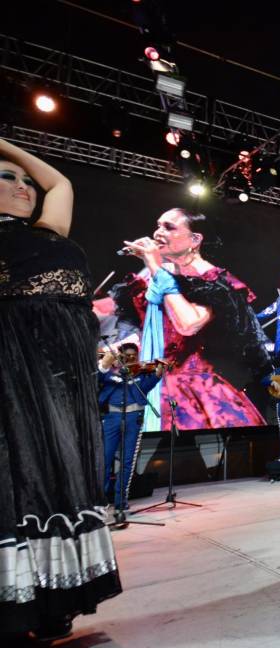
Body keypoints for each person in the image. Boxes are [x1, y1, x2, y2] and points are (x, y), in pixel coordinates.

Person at [0, 139, 121, 641]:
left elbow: (60, 183)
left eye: (26, 179)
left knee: (61, 479)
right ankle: (16, 609)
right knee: (20, 479)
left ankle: (53, 601)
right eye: (8, 178)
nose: (25, 185)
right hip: (15, 376)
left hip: (65, 383)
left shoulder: (49, 231)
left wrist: (4, 146)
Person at [97, 208, 272, 431]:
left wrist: (155, 266)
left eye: (169, 227)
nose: (158, 232)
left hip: (191, 388)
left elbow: (187, 324)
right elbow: (133, 316)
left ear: (195, 239)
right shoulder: (156, 271)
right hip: (146, 380)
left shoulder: (212, 280)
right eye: (158, 225)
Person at [97, 343, 164, 511]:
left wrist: (160, 369)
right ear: (119, 356)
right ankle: (101, 499)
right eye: (127, 355)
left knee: (127, 461)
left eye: (134, 355)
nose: (131, 359)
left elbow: (155, 378)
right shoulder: (109, 373)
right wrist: (106, 363)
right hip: (112, 418)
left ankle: (121, 500)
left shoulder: (141, 375)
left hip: (133, 419)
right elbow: (99, 376)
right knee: (105, 459)